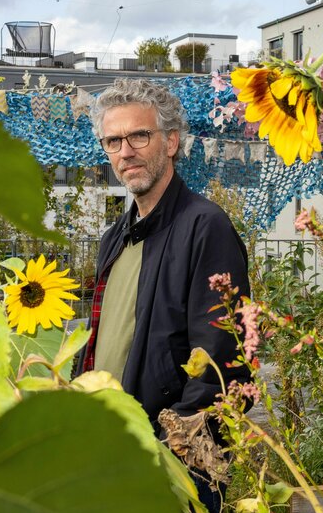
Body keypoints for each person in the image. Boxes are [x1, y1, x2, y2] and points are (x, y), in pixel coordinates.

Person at [80, 78, 250, 431]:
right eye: (113, 141)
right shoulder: (114, 240)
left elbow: (222, 361)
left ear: (171, 141)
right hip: (108, 442)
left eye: (139, 136)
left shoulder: (205, 228)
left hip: (167, 458)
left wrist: (172, 446)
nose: (126, 152)